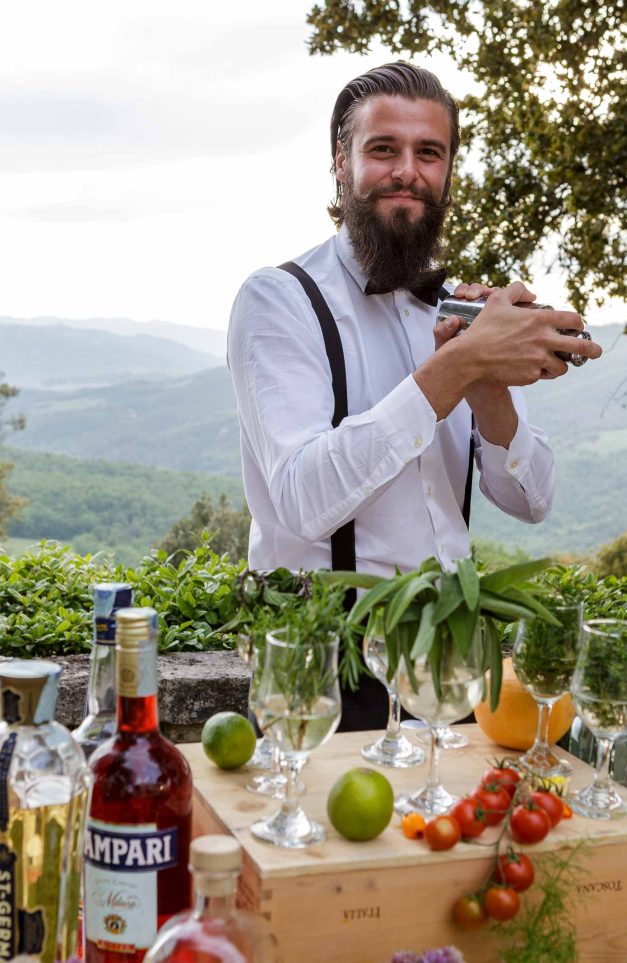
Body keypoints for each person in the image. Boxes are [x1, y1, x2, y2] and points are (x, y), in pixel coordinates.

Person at [228, 62, 601, 729]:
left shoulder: (461, 309)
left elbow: (532, 500)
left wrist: (488, 384)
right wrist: (456, 367)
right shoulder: (278, 299)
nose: (407, 171)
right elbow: (303, 499)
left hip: (451, 663)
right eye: (383, 149)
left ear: (449, 171)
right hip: (323, 666)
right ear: (341, 163)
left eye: (429, 153)